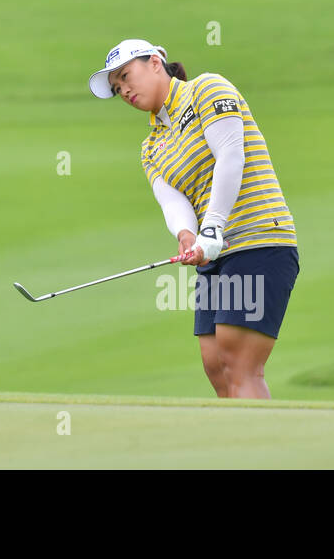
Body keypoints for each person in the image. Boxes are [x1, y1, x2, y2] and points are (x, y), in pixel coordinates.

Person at [88, 39, 299, 399]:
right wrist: (187, 235)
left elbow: (230, 154)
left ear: (155, 62)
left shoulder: (207, 88)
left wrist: (213, 224)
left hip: (258, 238)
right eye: (117, 88)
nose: (123, 90)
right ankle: (238, 446)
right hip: (213, 252)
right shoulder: (151, 147)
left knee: (238, 357)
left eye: (125, 76)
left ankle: (258, 449)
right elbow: (172, 201)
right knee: (215, 362)